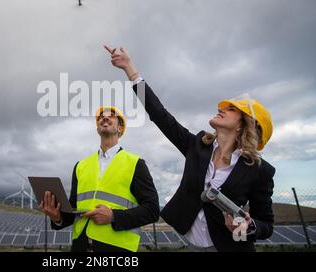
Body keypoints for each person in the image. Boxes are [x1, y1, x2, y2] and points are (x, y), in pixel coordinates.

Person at [104, 45, 275, 252]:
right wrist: (130, 69)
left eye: (231, 109)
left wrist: (250, 226)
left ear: (243, 124)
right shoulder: (198, 146)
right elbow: (160, 115)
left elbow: (266, 224)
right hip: (192, 245)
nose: (221, 108)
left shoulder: (259, 170)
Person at [40, 106, 159, 252]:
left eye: (112, 116)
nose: (105, 117)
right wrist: (57, 217)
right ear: (97, 129)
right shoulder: (80, 166)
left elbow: (152, 210)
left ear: (120, 129)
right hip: (80, 247)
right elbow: (74, 209)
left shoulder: (135, 163)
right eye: (101, 116)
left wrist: (114, 216)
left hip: (117, 249)